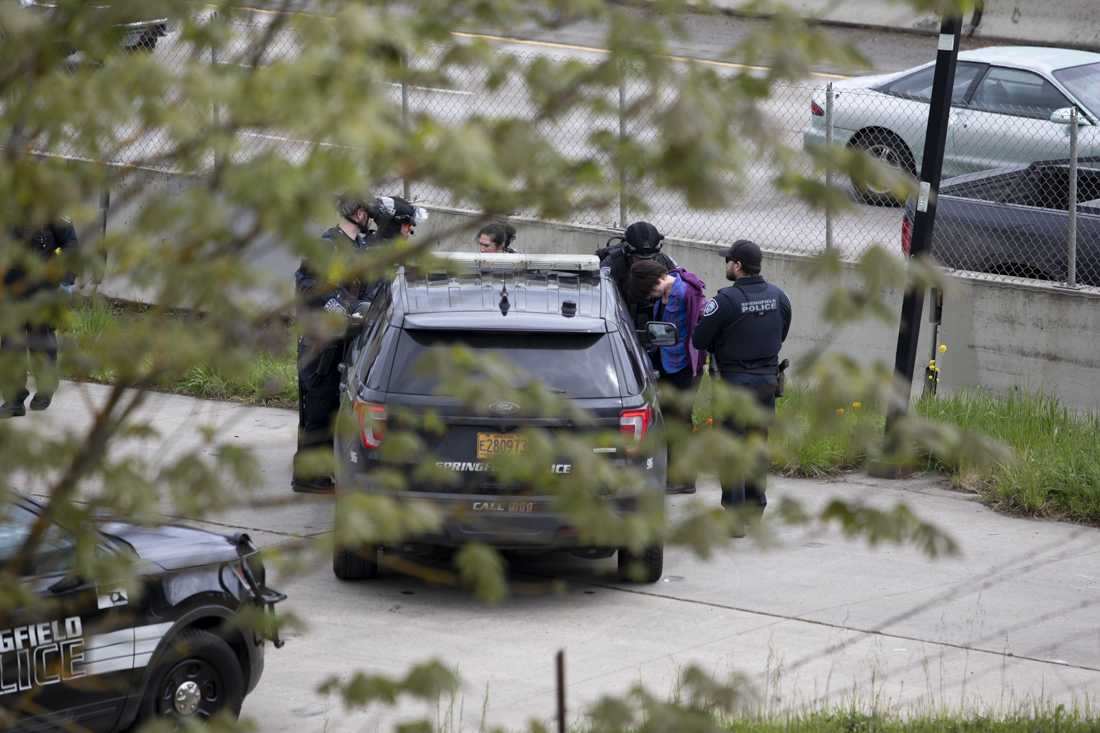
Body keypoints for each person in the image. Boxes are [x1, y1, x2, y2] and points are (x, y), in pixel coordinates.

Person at [691, 240, 791, 531]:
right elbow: (782, 332)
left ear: (737, 266)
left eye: (728, 261)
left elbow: (699, 341)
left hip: (733, 384)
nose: (726, 266)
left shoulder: (724, 301)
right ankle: (755, 509)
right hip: (765, 385)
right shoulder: (779, 296)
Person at [291, 195, 373, 493]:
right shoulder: (327, 246)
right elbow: (309, 286)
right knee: (317, 411)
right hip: (319, 343)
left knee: (332, 410)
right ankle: (307, 477)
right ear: (357, 213)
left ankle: (321, 471)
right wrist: (343, 308)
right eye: (367, 212)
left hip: (339, 342)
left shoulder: (357, 247)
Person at [628, 258, 708, 493]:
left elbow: (699, 327)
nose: (651, 295)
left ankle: (685, 480)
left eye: (650, 290)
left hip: (685, 369)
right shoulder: (666, 292)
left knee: (680, 421)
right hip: (665, 364)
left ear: (657, 279)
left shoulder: (687, 293)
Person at [1, 218, 79, 418]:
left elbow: (70, 245)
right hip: (11, 289)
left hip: (43, 289)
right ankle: (13, 400)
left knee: (40, 342)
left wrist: (66, 281)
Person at [596, 221, 677, 334]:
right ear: (627, 252)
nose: (646, 264)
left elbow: (680, 290)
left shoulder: (665, 262)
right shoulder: (611, 265)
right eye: (639, 259)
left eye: (651, 258)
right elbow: (600, 301)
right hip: (620, 322)